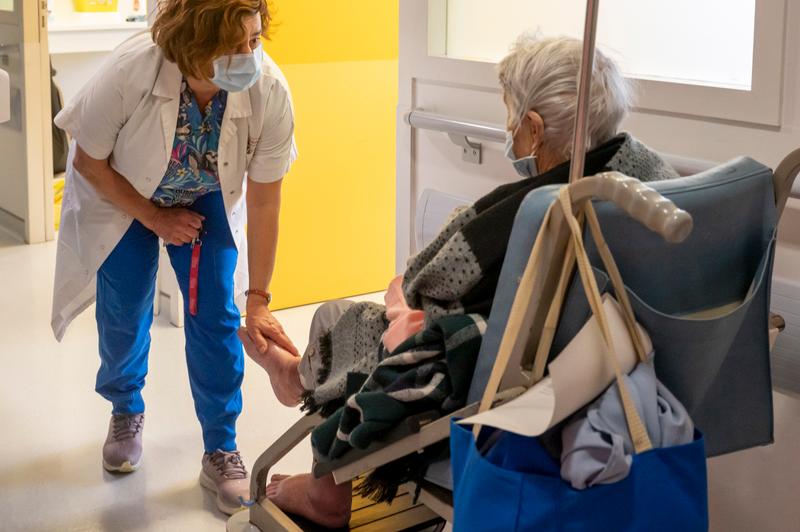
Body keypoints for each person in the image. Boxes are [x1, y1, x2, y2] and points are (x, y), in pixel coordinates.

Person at [242, 35, 681, 528]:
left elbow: (420, 288)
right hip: (615, 368)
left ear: (534, 129)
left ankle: (315, 449)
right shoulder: (655, 183)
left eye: (512, 115)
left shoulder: (533, 211)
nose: (509, 129)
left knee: (346, 321)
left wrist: (399, 302)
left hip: (514, 387)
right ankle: (301, 382)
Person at [50, 0, 298, 515]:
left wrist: (259, 299)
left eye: (254, 41)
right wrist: (154, 217)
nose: (249, 57)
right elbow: (88, 160)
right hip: (122, 191)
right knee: (125, 308)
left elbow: (267, 196)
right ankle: (125, 408)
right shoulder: (131, 70)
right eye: (233, 47)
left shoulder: (268, 89)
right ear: (193, 46)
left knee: (217, 314)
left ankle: (221, 447)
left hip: (204, 190)